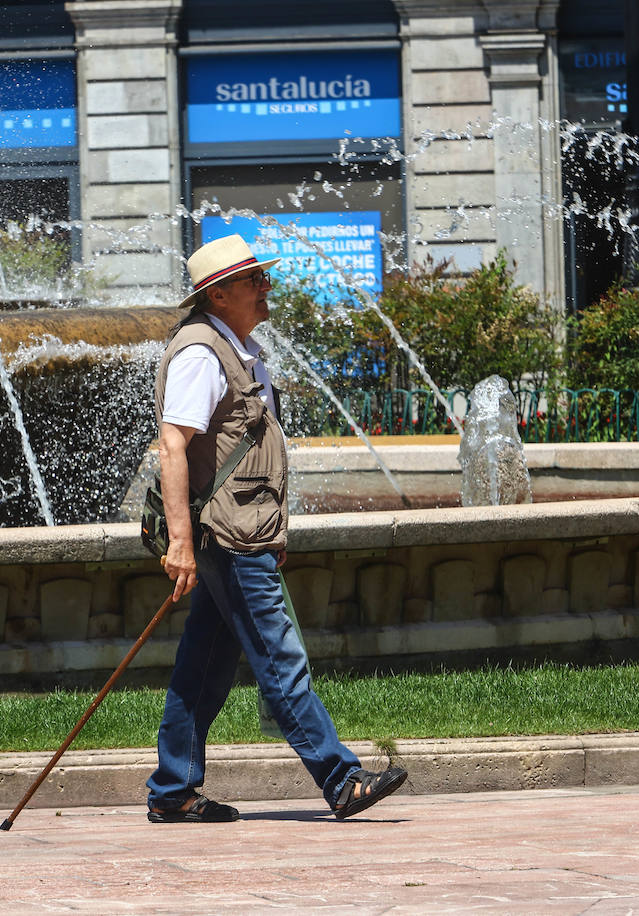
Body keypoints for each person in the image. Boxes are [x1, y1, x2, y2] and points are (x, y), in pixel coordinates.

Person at [145, 234, 407, 823]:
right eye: (254, 280)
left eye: (264, 276)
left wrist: (273, 529)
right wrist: (181, 544)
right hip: (228, 541)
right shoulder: (200, 354)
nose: (268, 287)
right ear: (218, 294)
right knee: (280, 659)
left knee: (203, 671)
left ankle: (173, 789)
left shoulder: (240, 348)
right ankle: (341, 781)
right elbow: (172, 448)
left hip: (245, 534)